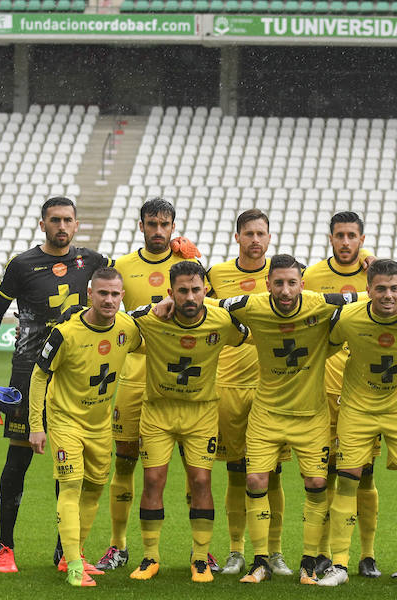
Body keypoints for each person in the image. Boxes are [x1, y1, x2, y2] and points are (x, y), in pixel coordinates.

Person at [205, 254, 397, 585]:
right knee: (255, 481)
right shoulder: (251, 304)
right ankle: (260, 560)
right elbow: (209, 303)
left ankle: (308, 562)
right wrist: (166, 305)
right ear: (268, 285)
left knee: (318, 485)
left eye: (292, 283)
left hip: (311, 415)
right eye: (279, 283)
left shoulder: (319, 303)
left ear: (302, 285)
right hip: (267, 413)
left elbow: (365, 295)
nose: (286, 290)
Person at [0, 196, 111, 573]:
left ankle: (65, 552)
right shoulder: (22, 265)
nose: (62, 226)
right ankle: (6, 547)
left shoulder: (95, 262)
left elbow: (122, 287)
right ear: (42, 225)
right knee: (18, 459)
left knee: (69, 464)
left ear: (76, 224)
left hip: (73, 376)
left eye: (68, 220)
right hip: (26, 374)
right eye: (55, 220)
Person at [319, 259, 397, 589]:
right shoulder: (348, 317)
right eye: (380, 289)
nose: (388, 295)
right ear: (368, 289)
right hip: (357, 412)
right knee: (347, 482)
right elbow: (325, 343)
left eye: (395, 289)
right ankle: (340, 564)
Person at [127, 261, 249, 583]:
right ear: (170, 292)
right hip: (157, 411)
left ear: (206, 290)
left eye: (196, 289)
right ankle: (150, 557)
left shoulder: (222, 321)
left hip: (201, 413)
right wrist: (155, 306)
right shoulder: (152, 318)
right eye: (182, 291)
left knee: (200, 482)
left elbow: (248, 335)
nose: (190, 296)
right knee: (153, 481)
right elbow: (123, 318)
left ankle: (199, 559)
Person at [97, 197, 201, 572]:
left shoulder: (189, 265)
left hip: (181, 376)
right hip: (136, 373)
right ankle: (118, 545)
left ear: (174, 227)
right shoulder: (121, 267)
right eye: (152, 224)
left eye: (165, 224)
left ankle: (200, 552)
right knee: (124, 462)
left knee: (195, 467)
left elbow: (212, 311)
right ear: (141, 226)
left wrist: (198, 261)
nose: (158, 231)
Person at [28, 267, 142, 587]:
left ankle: (71, 556)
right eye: (102, 293)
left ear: (122, 296)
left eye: (115, 294)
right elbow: (39, 376)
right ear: (90, 294)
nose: (109, 300)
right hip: (66, 421)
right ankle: (75, 566)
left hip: (100, 424)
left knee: (94, 488)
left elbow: (153, 336)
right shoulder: (65, 333)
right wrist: (37, 425)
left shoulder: (128, 328)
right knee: (71, 485)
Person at [204, 209, 292, 577]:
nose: (255, 239)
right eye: (249, 233)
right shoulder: (217, 275)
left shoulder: (283, 276)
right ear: (237, 236)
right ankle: (237, 551)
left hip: (273, 388)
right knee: (237, 472)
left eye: (261, 233)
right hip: (228, 385)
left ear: (270, 238)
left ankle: (274, 552)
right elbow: (191, 303)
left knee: (272, 474)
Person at [302, 211, 381, 578]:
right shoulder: (313, 277)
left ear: (362, 239)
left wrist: (378, 269)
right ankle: (319, 552)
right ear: (330, 238)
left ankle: (366, 555)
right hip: (322, 388)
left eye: (352, 235)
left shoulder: (377, 277)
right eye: (339, 235)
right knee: (324, 474)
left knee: (363, 474)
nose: (346, 242)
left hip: (365, 391)